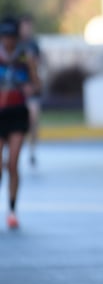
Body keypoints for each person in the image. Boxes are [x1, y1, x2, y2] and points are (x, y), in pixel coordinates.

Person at [0, 17, 40, 229]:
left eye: (11, 37)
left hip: (17, 113)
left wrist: (32, 74)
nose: (8, 41)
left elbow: (38, 87)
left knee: (13, 163)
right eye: (5, 37)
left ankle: (12, 209)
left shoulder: (25, 57)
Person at [16, 15, 42, 167]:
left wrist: (35, 86)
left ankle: (32, 151)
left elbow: (37, 65)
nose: (27, 29)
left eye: (29, 26)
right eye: (24, 26)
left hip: (31, 89)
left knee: (33, 118)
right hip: (15, 89)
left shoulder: (33, 44)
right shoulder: (13, 44)